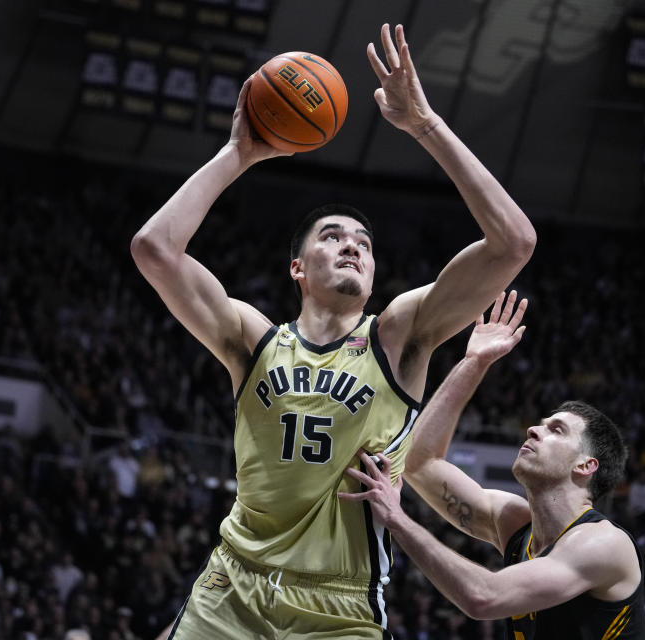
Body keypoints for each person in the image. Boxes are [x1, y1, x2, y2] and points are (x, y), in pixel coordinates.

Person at [131, 23, 537, 640]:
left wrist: (424, 123)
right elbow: (155, 248)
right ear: (298, 267)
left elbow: (514, 243)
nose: (352, 245)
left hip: (338, 609)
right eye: (333, 236)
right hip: (231, 588)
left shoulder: (399, 336)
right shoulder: (252, 338)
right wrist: (240, 152)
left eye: (364, 243)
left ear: (374, 275)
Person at [340, 292, 645, 639]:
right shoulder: (514, 523)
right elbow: (420, 463)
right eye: (541, 423)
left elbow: (483, 598)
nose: (533, 428)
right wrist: (475, 362)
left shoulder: (603, 544)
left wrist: (397, 520)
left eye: (555, 429)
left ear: (585, 466)